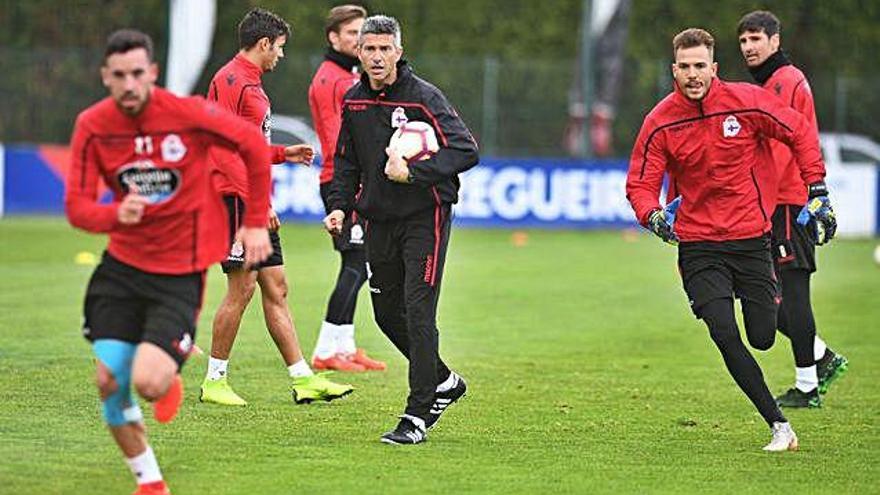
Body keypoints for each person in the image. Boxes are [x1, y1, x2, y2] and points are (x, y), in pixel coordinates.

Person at [66, 29, 273, 495]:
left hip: (178, 273)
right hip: (120, 269)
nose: (129, 84)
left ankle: (167, 372)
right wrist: (113, 213)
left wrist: (255, 222)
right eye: (118, 75)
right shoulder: (93, 125)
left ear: (153, 74)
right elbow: (77, 207)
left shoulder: (187, 115)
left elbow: (254, 147)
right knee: (107, 382)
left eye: (138, 73)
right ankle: (150, 481)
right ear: (105, 77)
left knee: (149, 384)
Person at [626, 28, 837, 452]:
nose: (692, 75)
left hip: (750, 240)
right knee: (723, 332)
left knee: (761, 335)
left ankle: (781, 320)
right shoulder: (660, 120)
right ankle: (779, 425)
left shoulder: (746, 102)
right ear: (674, 70)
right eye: (684, 67)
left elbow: (797, 131)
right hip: (699, 245)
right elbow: (640, 183)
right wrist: (652, 216)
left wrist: (817, 189)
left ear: (714, 68)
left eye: (700, 65)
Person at [325, 15, 479, 444]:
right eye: (368, 48)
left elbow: (466, 150)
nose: (376, 56)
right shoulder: (354, 100)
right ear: (358, 51)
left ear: (398, 50)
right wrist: (339, 207)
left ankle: (417, 415)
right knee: (385, 314)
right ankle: (444, 382)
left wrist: (414, 173)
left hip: (424, 218)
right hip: (379, 221)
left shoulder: (424, 97)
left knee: (418, 310)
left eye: (384, 49)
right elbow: (347, 161)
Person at [199, 8, 353, 407]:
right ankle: (214, 380)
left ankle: (302, 379)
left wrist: (284, 153)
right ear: (264, 43)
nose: (281, 56)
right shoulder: (230, 79)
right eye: (279, 48)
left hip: (247, 196)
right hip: (235, 200)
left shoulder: (251, 81)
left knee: (276, 287)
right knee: (243, 286)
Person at [737, 10, 848, 408]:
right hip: (784, 199)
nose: (749, 47)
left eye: (755, 39)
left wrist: (760, 200)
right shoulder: (775, 80)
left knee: (790, 293)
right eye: (744, 41)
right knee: (765, 291)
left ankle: (808, 385)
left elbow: (783, 143)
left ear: (775, 41)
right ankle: (819, 358)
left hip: (786, 201)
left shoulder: (783, 81)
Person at [308, 4, 387, 373]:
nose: (359, 39)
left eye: (362, 32)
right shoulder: (330, 80)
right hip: (340, 183)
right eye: (353, 33)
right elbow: (335, 138)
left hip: (352, 182)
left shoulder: (346, 74)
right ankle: (325, 349)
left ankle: (345, 346)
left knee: (359, 263)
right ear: (334, 37)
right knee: (356, 263)